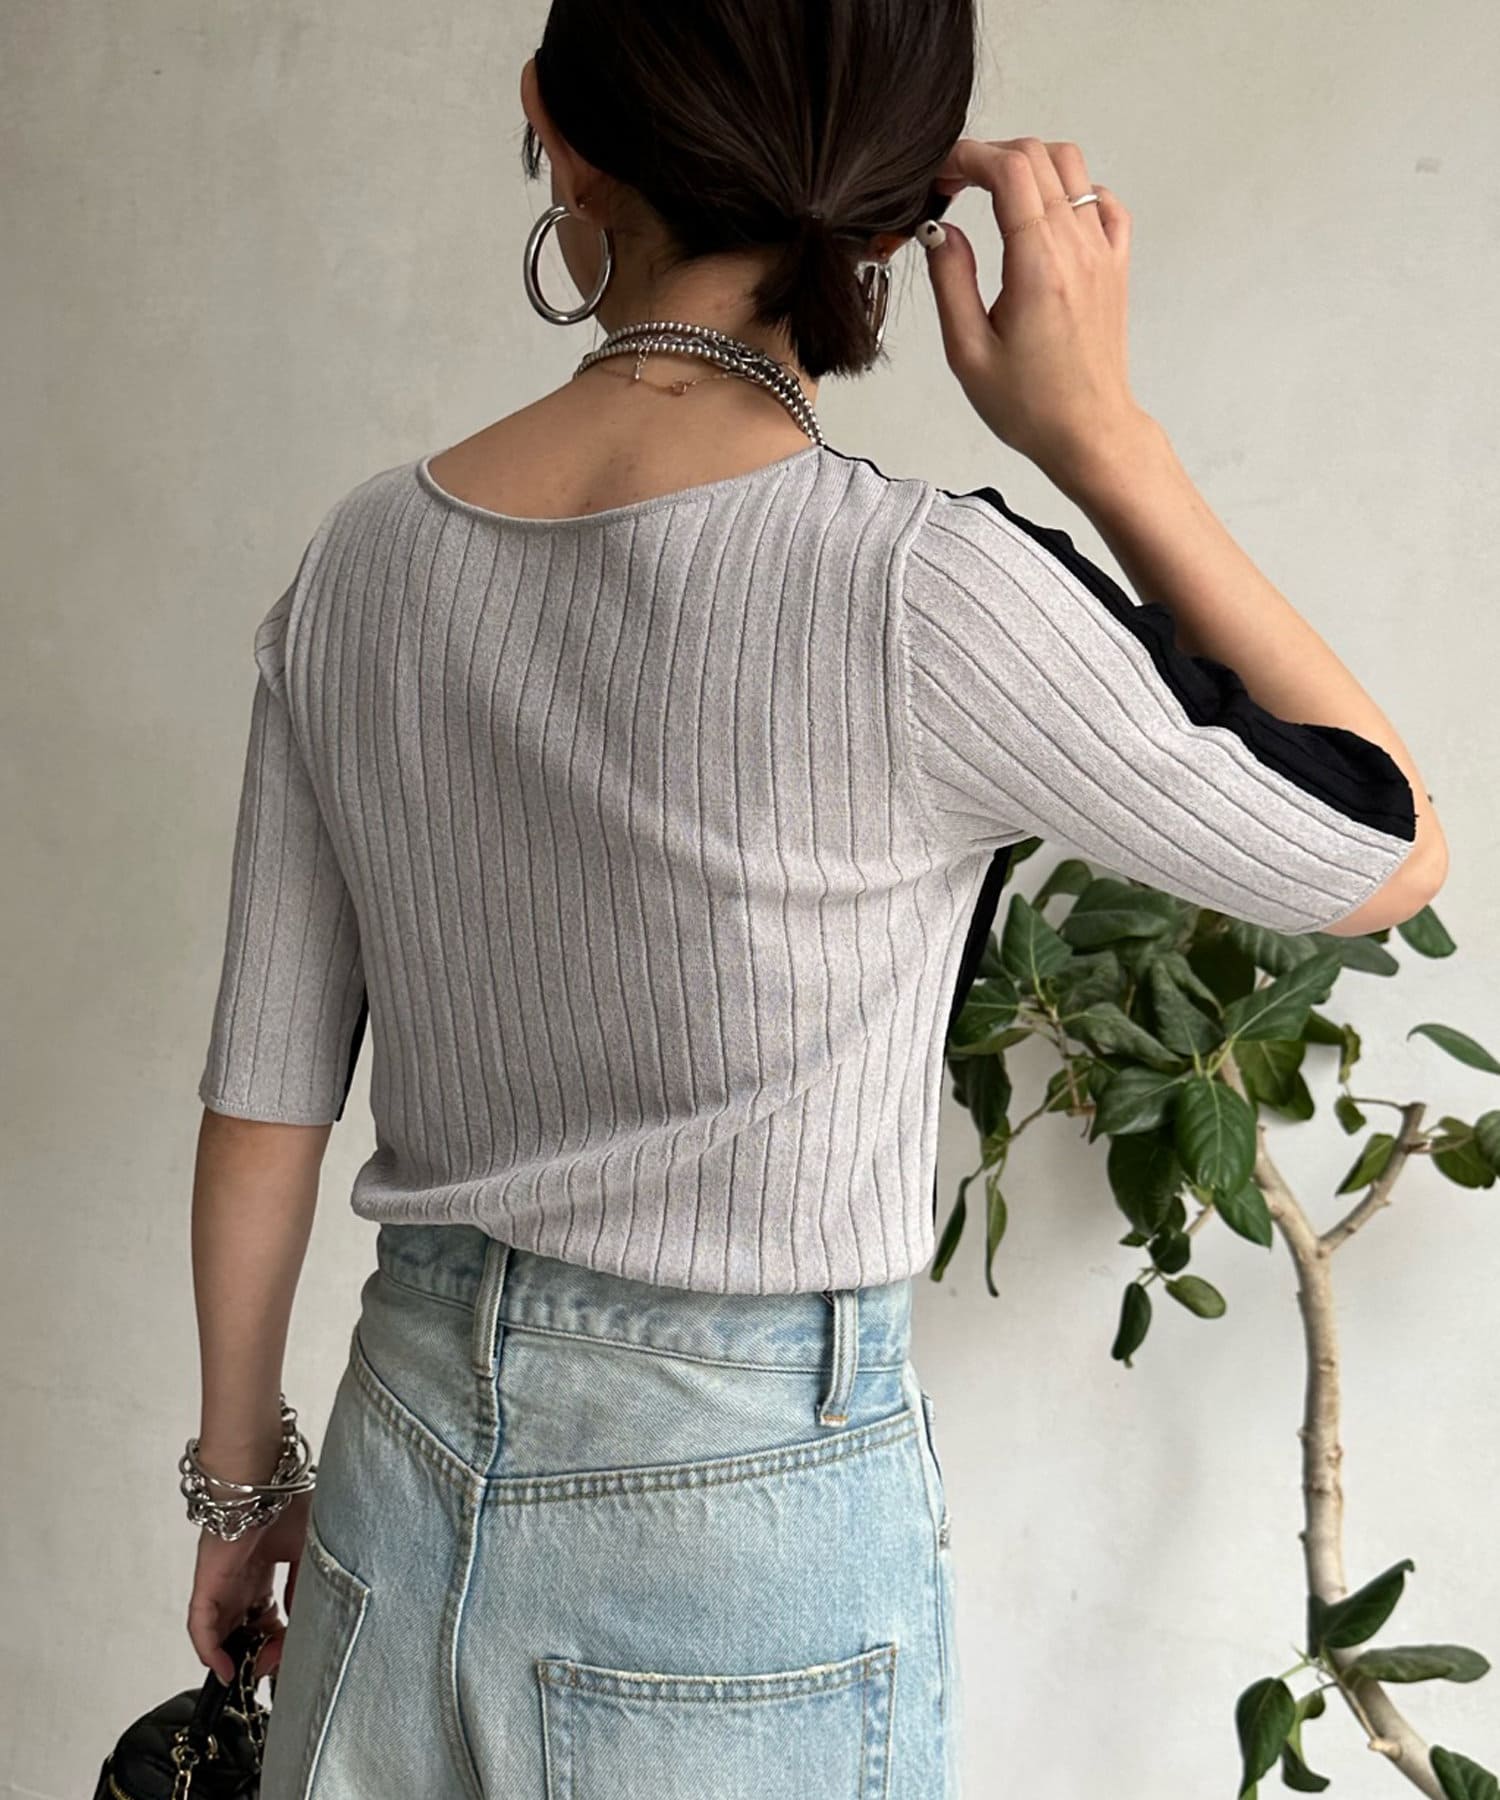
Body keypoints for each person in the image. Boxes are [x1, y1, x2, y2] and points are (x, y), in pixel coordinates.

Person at [178, 2, 1446, 1795]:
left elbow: (264, 1108)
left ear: (555, 122)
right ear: (895, 201)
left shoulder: (364, 562)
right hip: (740, 1512)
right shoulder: (920, 592)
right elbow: (1381, 852)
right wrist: (1101, 433)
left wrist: (241, 1492)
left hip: (398, 1454)